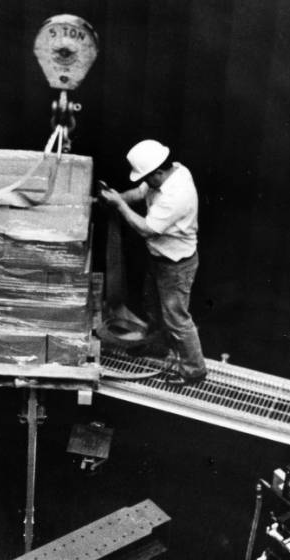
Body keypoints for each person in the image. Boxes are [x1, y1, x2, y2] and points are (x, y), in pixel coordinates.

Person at [99, 140, 206, 386]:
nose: (147, 182)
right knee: (153, 306)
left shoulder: (176, 194)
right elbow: (140, 192)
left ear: (158, 172)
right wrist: (115, 197)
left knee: (176, 318)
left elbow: (147, 229)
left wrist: (119, 205)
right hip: (160, 258)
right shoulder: (173, 169)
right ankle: (158, 347)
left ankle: (194, 370)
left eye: (149, 177)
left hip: (176, 265)